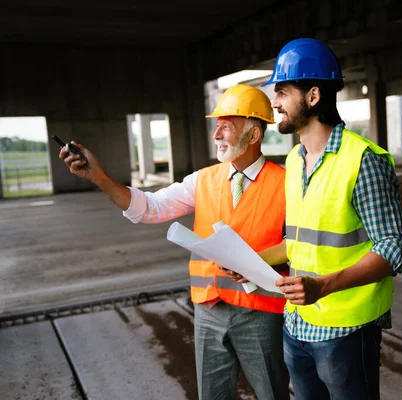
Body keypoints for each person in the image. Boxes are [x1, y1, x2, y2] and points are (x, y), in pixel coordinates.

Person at [59, 84, 290, 400]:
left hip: (262, 311)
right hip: (209, 309)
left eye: (226, 127)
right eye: (216, 126)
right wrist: (98, 176)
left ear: (253, 136)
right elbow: (148, 208)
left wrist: (261, 260)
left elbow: (303, 242)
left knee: (271, 394)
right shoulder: (203, 180)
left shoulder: (288, 182)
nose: (216, 135)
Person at [257, 38, 402, 400]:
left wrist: (322, 287)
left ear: (313, 96)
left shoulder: (363, 160)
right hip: (297, 325)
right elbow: (300, 240)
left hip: (345, 329)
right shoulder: (294, 160)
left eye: (281, 91)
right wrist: (251, 262)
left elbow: (394, 249)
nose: (275, 102)